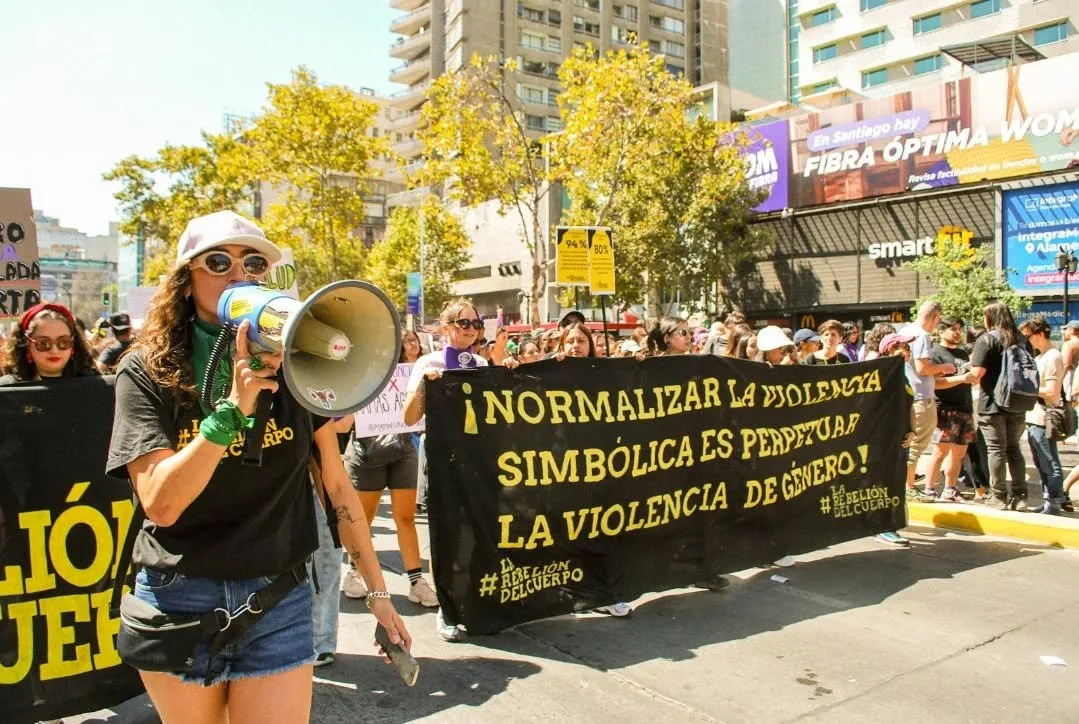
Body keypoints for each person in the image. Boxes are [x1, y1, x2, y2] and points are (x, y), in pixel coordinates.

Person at [106, 210, 410, 723]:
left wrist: (379, 594)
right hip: (181, 598)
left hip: (277, 597)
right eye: (218, 262)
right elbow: (161, 503)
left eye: (253, 264)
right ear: (185, 281)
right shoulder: (146, 370)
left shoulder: (296, 368)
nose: (238, 273)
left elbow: (337, 488)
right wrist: (231, 412)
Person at [403, 298, 488, 642]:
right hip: (441, 457)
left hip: (477, 458)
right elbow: (409, 417)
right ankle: (447, 607)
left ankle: (473, 599)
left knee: (476, 530)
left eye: (475, 324)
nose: (470, 330)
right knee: (445, 531)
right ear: (446, 327)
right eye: (463, 323)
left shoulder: (482, 363)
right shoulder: (428, 362)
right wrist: (427, 385)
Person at [969, 301, 1030, 511]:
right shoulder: (1020, 339)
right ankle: (1021, 496)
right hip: (1018, 402)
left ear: (990, 317)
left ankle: (999, 496)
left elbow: (977, 374)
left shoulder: (987, 340)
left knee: (996, 450)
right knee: (1014, 449)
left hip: (992, 403)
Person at [921, 317, 978, 502]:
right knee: (940, 451)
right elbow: (935, 383)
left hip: (965, 407)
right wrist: (961, 379)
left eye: (959, 329)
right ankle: (929, 489)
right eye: (953, 329)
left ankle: (950, 489)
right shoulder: (934, 353)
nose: (957, 332)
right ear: (941, 331)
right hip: (945, 409)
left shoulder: (962, 353)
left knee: (959, 453)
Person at [1019, 316, 1066, 514]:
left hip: (1044, 417)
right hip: (1034, 416)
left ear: (1039, 334)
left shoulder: (1053, 356)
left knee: (1049, 460)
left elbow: (1052, 392)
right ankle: (1049, 498)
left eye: (1028, 336)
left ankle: (1054, 500)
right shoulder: (1039, 357)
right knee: (1040, 461)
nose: (1026, 341)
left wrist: (1026, 388)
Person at [876, 331, 919, 547]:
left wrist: (912, 431)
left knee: (896, 481)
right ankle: (884, 526)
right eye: (901, 347)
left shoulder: (904, 376)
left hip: (902, 439)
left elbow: (910, 406)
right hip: (884, 439)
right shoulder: (880, 377)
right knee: (885, 481)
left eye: (907, 348)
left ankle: (889, 523)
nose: (906, 351)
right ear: (888, 351)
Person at [1, 303, 99, 384]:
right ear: (27, 345)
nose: (54, 351)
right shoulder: (8, 389)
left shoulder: (95, 386)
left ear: (73, 345)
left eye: (63, 342)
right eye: (43, 343)